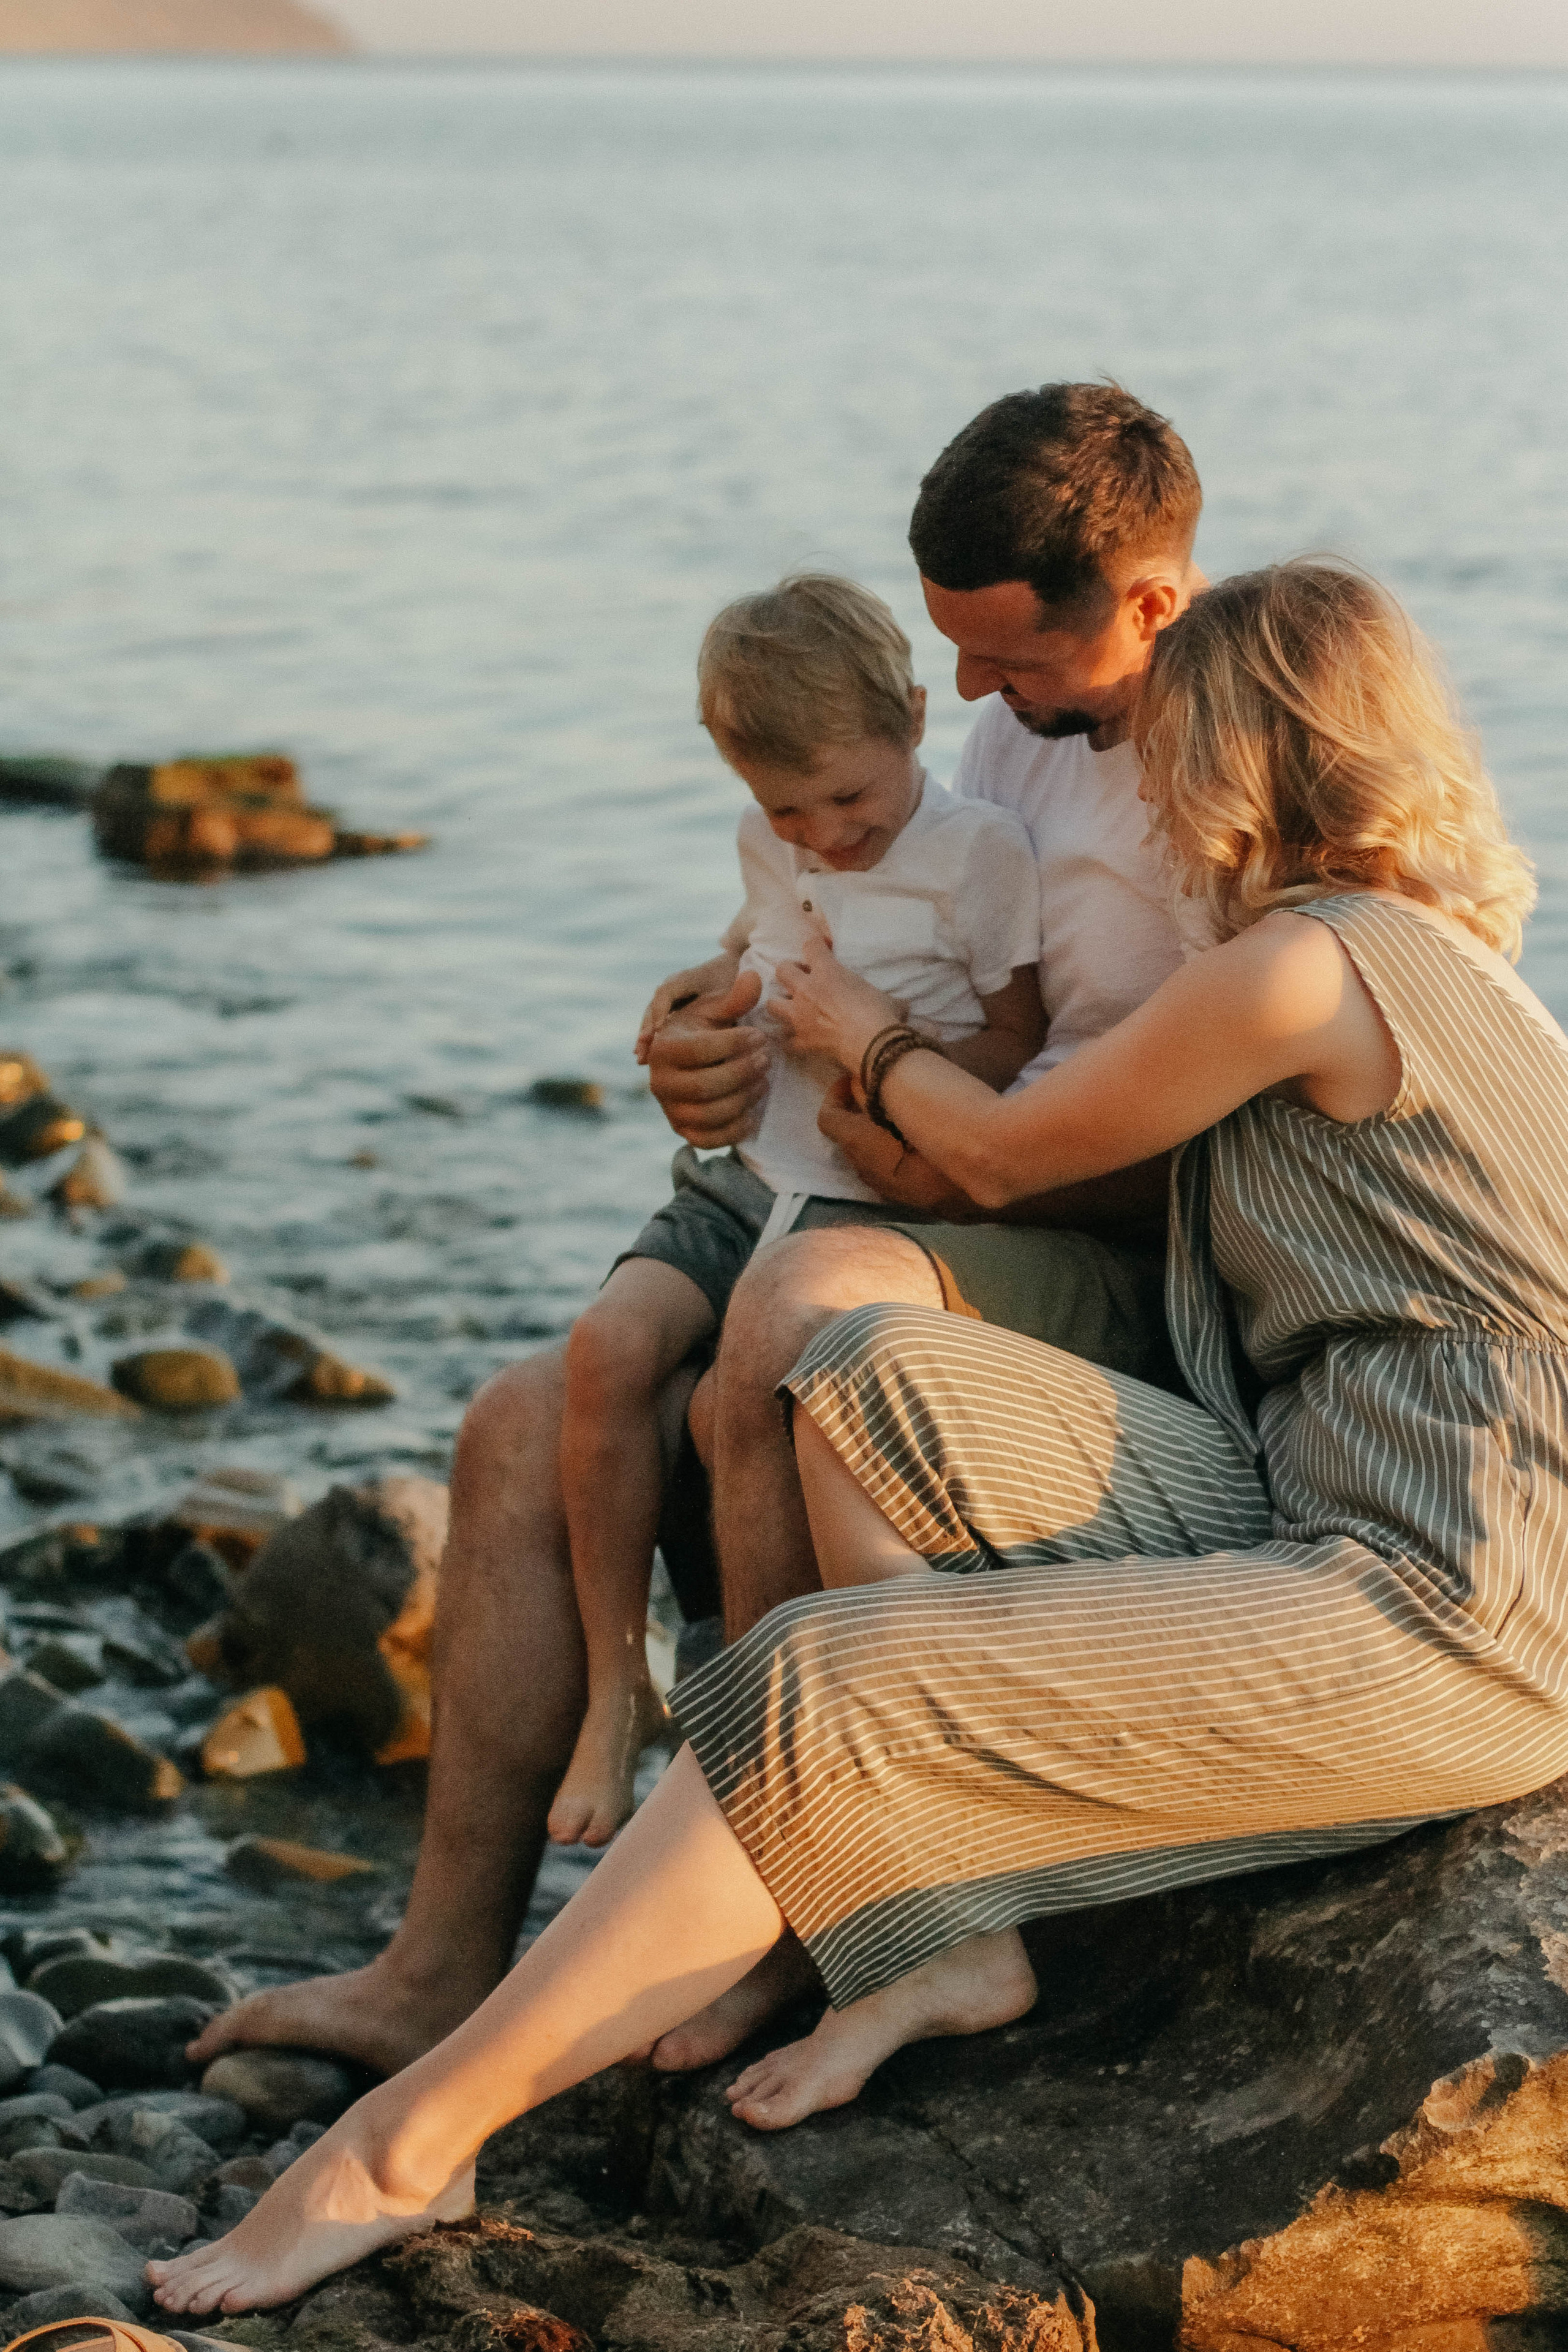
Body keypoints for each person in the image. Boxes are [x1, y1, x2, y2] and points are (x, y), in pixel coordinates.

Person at [148, 556, 1568, 2321]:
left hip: (1446, 1588)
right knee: (869, 1367)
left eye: (1172, 750)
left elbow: (1014, 1148)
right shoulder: (1442, 964)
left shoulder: (1300, 965)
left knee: (829, 1680)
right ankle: (938, 1932)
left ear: (1242, 751)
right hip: (1302, 1483)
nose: (1146, 789)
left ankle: (402, 2149)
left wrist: (861, 1033)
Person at [183, 380, 1207, 2080]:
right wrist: (701, 1048)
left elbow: (1206, 1125)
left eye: (1004, 659)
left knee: (788, 1318)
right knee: (527, 1417)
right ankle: (437, 1969)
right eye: (954, 659)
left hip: (1094, 1240)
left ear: (1150, 604)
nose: (972, 696)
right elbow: (853, 920)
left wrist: (927, 1125)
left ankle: (792, 1915)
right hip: (904, 1170)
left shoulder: (1237, 774)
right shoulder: (1023, 733)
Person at [550, 575, 1042, 1846]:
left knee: (734, 1406)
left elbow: (1017, 1039)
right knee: (605, 1350)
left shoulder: (979, 854)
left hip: (864, 1193)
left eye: (850, 800)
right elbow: (760, 949)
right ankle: (618, 1688)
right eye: (786, 809)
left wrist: (886, 1071)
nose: (824, 835)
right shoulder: (767, 843)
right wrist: (706, 1000)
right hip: (747, 1176)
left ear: (914, 721)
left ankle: (756, 1736)